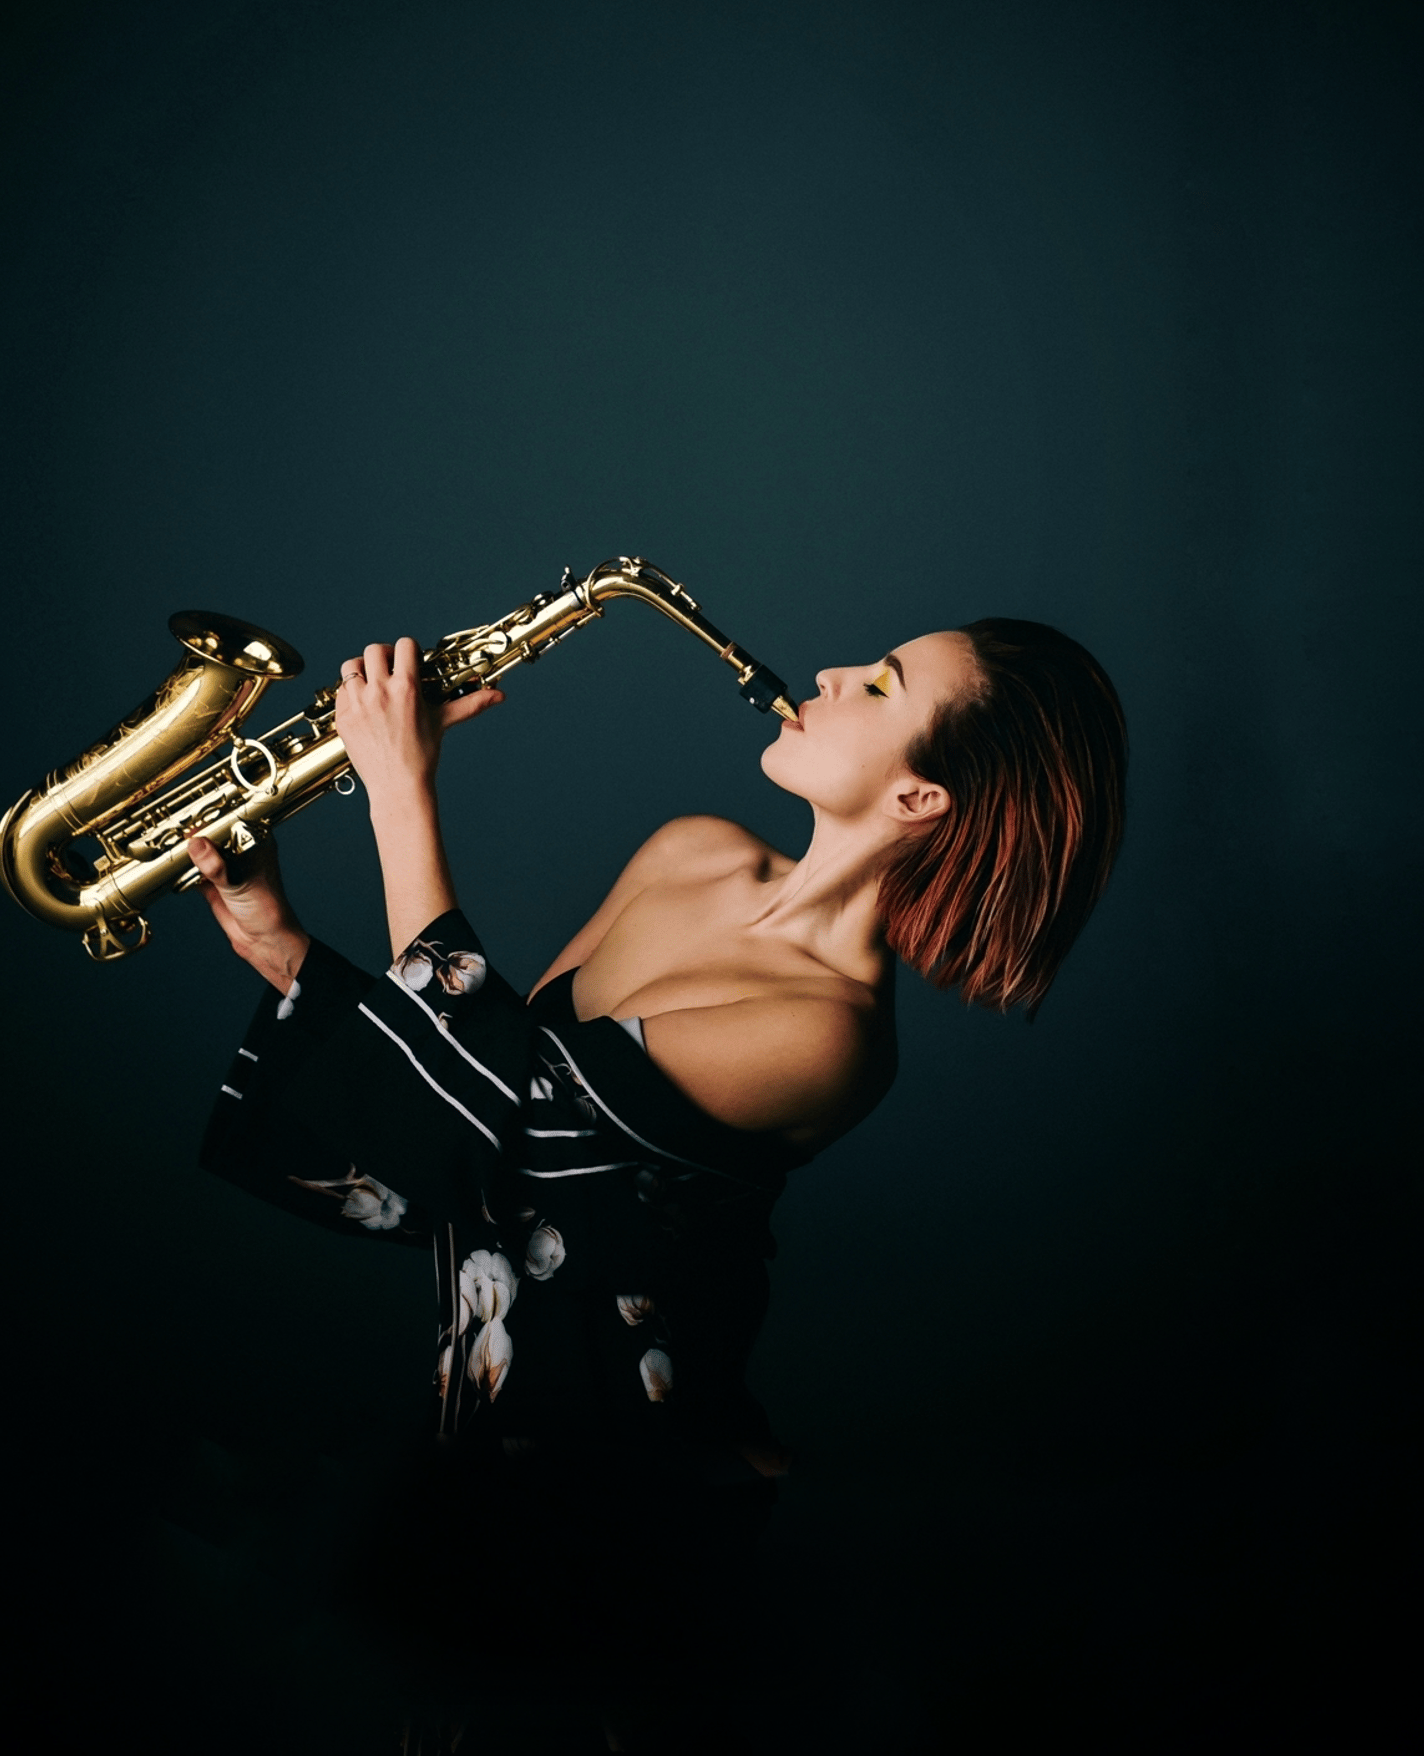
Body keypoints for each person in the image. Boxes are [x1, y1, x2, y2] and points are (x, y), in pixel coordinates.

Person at [192, 619, 1126, 1748]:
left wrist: (401, 793)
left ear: (921, 800)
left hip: (630, 1517)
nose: (831, 671)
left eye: (879, 685)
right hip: (481, 1459)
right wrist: (278, 941)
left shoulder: (830, 1036)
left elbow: (505, 1115)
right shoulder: (689, 850)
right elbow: (474, 1135)